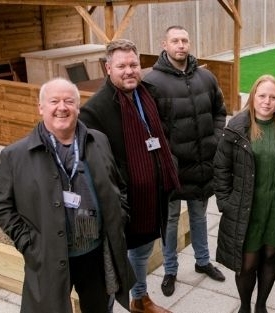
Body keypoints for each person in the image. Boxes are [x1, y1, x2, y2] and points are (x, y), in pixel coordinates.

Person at [0, 78, 135, 313]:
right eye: (54, 101)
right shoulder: (15, 156)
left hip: (95, 254)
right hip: (49, 256)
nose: (62, 107)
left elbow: (118, 184)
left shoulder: (98, 141)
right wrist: (29, 243)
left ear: (78, 107)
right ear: (41, 107)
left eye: (68, 101)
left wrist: (119, 216)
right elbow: (3, 206)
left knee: (99, 308)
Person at [79, 39, 179, 313]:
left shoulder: (150, 94)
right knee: (112, 263)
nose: (129, 70)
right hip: (121, 204)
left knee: (143, 251)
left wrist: (168, 164)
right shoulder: (94, 111)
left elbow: (163, 136)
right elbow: (95, 166)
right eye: (121, 66)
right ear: (108, 68)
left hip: (151, 197)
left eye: (133, 64)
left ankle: (140, 298)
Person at [213, 74, 275, 313]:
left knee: (269, 257)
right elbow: (221, 167)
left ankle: (261, 306)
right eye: (262, 96)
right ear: (253, 97)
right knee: (247, 264)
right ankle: (245, 306)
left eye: (273, 97)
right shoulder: (237, 128)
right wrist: (226, 202)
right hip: (247, 210)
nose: (267, 101)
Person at [143, 25, 227, 297]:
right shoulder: (152, 82)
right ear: (164, 44)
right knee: (169, 221)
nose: (181, 45)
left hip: (202, 163)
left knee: (200, 216)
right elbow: (149, 127)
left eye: (185, 40)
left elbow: (219, 111)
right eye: (175, 41)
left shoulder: (206, 77)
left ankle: (203, 262)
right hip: (171, 167)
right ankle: (170, 269)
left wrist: (215, 139)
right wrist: (166, 156)